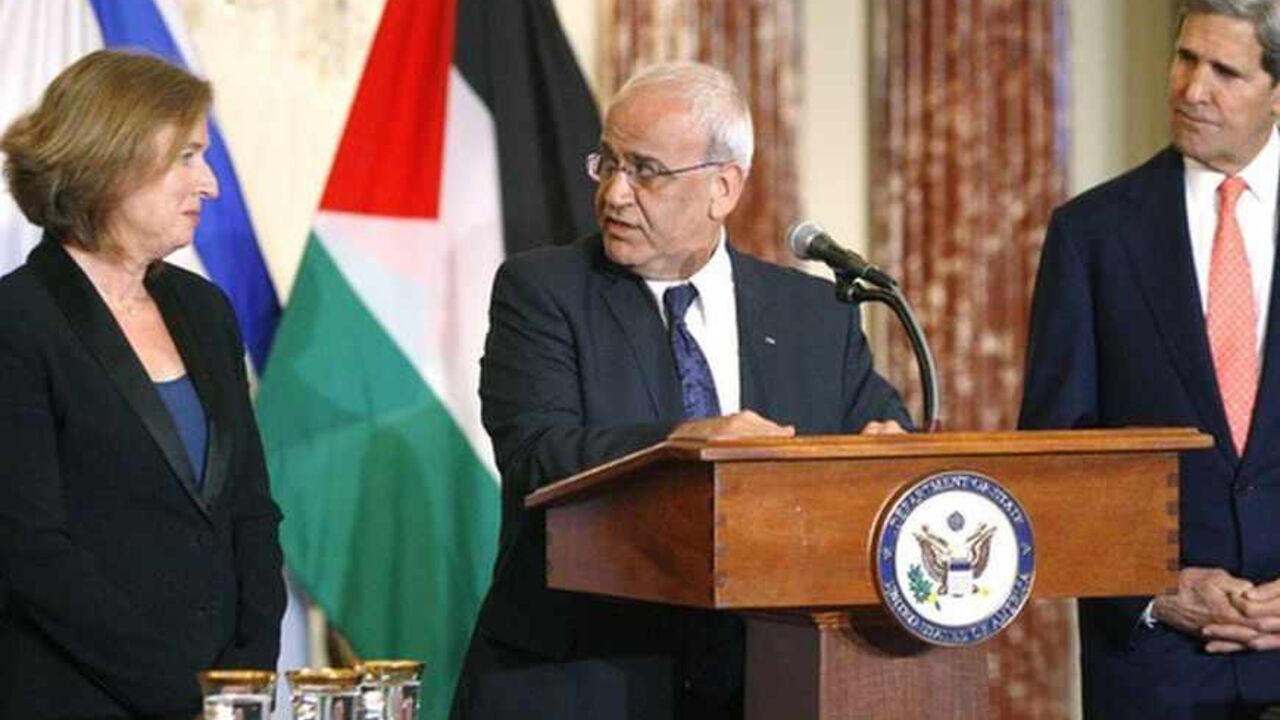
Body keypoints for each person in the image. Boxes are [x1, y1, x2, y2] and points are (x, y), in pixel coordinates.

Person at [452, 61, 909, 720]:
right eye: (606, 164)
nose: (613, 194)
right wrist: (682, 442)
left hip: (770, 680)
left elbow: (879, 437)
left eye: (646, 171)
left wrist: (889, 454)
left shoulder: (813, 315)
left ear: (724, 187)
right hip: (581, 678)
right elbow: (538, 455)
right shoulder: (544, 291)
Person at [0, 50, 285, 718]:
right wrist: (180, 693)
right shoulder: (17, 322)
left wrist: (244, 675)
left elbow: (249, 507)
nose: (210, 184)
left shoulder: (205, 310)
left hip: (221, 698)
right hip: (78, 697)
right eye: (187, 157)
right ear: (110, 161)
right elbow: (30, 550)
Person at [1020, 0, 1280, 716]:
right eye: (1185, 60)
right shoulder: (1090, 235)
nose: (1193, 89)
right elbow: (1057, 459)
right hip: (1156, 667)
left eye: (1226, 71)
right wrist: (1160, 592)